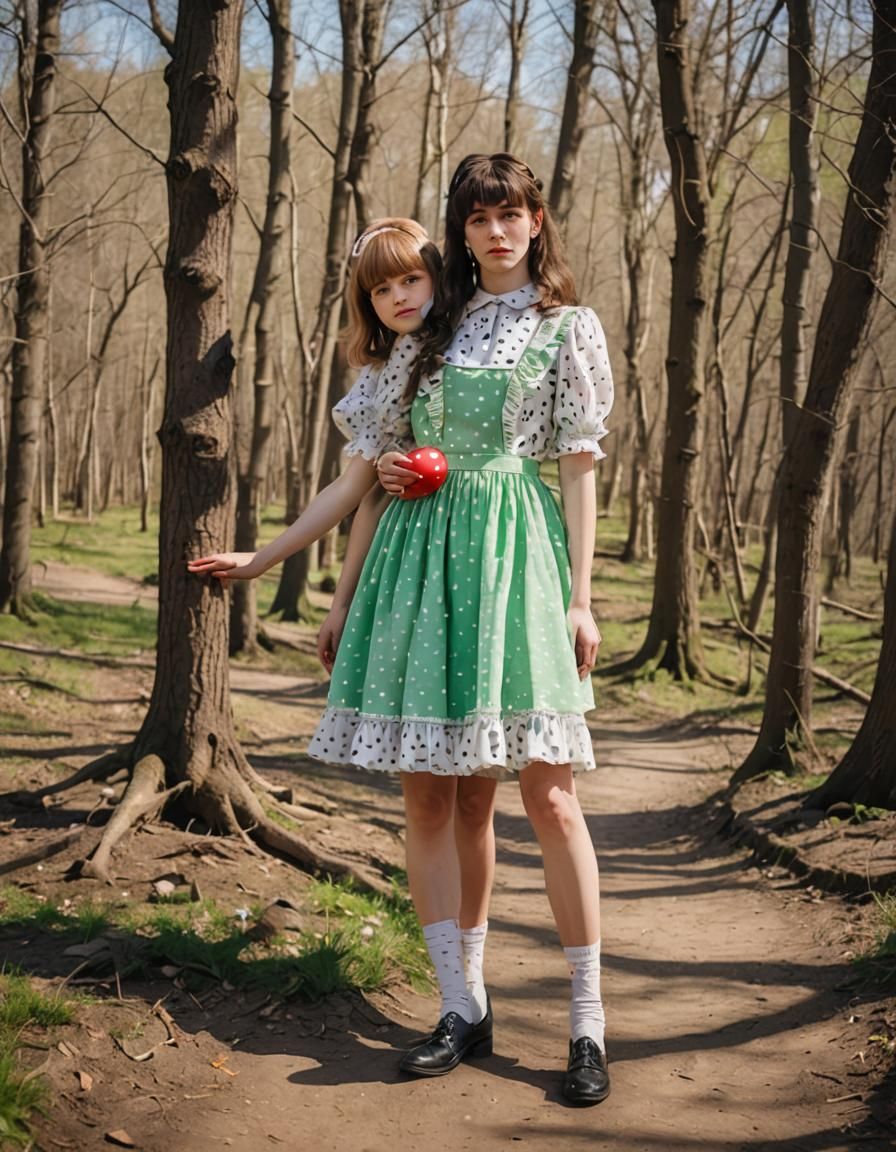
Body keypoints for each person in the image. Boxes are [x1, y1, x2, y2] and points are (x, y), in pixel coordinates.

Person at [310, 153, 614, 1104]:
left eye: (510, 213)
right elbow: (370, 467)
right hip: (424, 573)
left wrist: (580, 593)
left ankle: (587, 1024)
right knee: (437, 800)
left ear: (535, 222)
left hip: (521, 567)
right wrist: (337, 589)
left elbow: (576, 466)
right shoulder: (426, 332)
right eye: (477, 217)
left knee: (551, 796)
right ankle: (461, 1005)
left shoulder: (568, 327)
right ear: (460, 230)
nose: (495, 231)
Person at [187, 217, 500, 1030]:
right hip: (410, 587)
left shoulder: (482, 341)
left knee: (477, 804)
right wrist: (291, 574)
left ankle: (476, 979)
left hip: (492, 578)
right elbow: (353, 493)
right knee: (428, 801)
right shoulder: (384, 374)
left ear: (438, 276)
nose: (398, 297)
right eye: (380, 287)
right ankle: (454, 1001)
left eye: (411, 280)